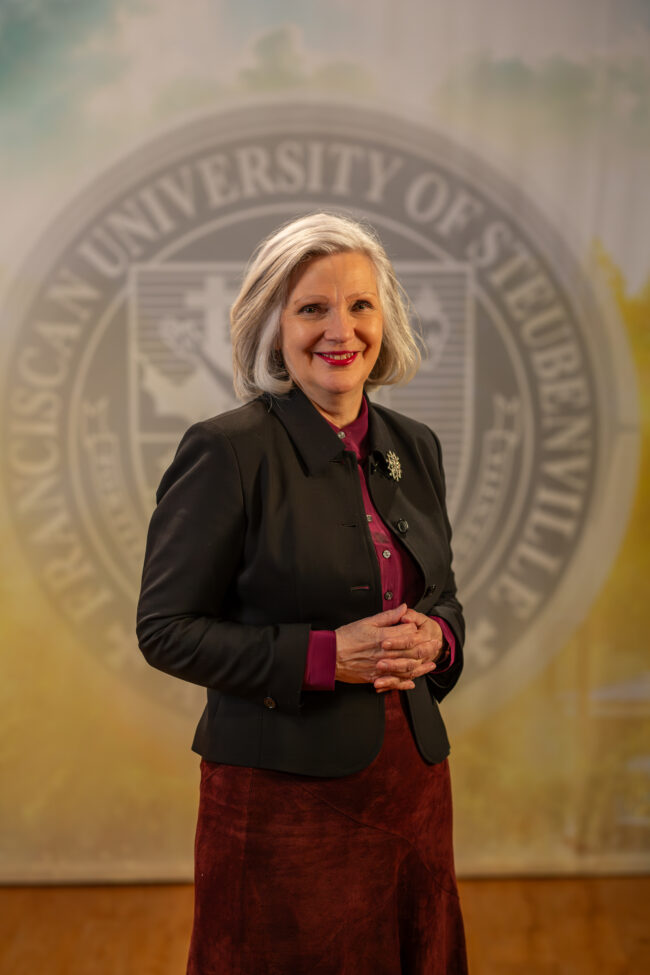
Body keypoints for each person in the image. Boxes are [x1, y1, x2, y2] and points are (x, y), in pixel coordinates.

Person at [136, 211, 468, 974]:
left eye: (360, 305)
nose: (340, 330)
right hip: (279, 799)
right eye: (311, 307)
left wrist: (437, 638)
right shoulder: (227, 450)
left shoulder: (415, 446)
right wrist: (327, 655)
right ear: (272, 326)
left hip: (411, 786)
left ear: (384, 319)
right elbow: (165, 628)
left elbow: (443, 595)